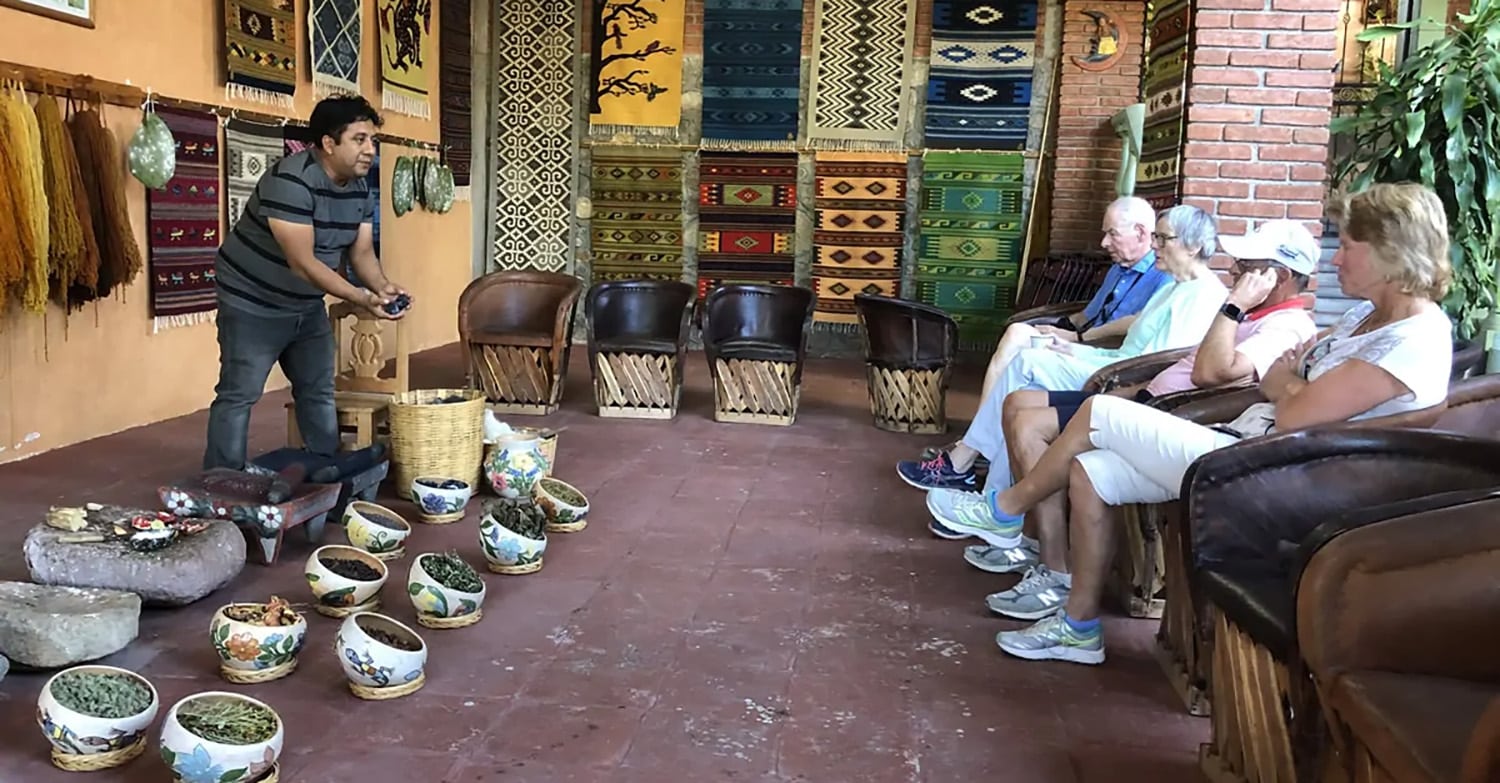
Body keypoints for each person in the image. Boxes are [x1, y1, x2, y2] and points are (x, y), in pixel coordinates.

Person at [927, 183, 1454, 665]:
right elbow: (1289, 380)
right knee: (1091, 470)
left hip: (1276, 472)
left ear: (1392, 253)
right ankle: (1078, 628)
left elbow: (1292, 405)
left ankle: (1002, 509)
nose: (1336, 258)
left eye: (1349, 246)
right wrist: (1289, 381)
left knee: (1099, 412)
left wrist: (1286, 381)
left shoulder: (1414, 337)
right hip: (1250, 441)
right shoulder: (1362, 318)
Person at [969, 221, 1321, 618]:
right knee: (1021, 403)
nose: (1235, 273)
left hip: (1175, 419)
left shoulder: (1283, 324)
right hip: (1145, 397)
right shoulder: (1250, 313)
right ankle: (1039, 552)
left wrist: (1234, 305)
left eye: (1246, 265)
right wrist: (1132, 388)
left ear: (1282, 276)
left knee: (1038, 423)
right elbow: (1184, 358)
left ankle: (1022, 530)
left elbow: (1210, 374)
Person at [897, 204, 1228, 495]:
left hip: (1121, 383)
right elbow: (1126, 343)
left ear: (1194, 245)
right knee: (1025, 387)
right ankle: (993, 497)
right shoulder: (1177, 287)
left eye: (1162, 238)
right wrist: (1073, 347)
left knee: (1027, 361)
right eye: (1155, 237)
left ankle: (964, 461)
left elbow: (1150, 362)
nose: (1154, 245)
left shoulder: (1202, 295)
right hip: (1111, 363)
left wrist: (1081, 351)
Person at [204, 95, 412, 471]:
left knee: (318, 390)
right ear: (328, 143)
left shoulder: (361, 186)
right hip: (252, 300)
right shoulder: (291, 180)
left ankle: (323, 475)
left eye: (372, 141)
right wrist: (360, 297)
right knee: (240, 393)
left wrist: (382, 287)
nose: (370, 150)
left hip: (305, 302)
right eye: (360, 139)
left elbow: (361, 252)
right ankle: (222, 480)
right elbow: (303, 262)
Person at [978, 196, 1172, 404]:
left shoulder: (1163, 274)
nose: (1104, 243)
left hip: (1106, 352)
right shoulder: (1118, 269)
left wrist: (1077, 337)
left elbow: (1137, 322)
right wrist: (1054, 326)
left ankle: (981, 428)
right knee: (1018, 331)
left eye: (1112, 234)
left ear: (1141, 233)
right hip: (1084, 339)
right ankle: (985, 424)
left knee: (1018, 343)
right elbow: (1086, 315)